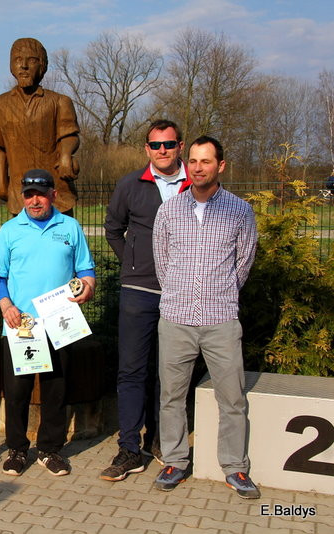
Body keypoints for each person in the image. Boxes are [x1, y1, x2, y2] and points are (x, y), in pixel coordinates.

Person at [152, 136, 259, 498]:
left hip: (221, 318)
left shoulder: (240, 211)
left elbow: (243, 264)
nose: (198, 167)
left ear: (221, 166)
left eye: (206, 161)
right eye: (193, 161)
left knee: (232, 397)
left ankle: (234, 467)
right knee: (171, 395)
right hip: (176, 318)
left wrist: (219, 293)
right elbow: (162, 262)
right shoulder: (169, 210)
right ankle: (175, 460)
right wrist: (180, 295)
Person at [0, 169, 96, 477]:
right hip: (21, 323)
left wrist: (87, 287)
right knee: (17, 390)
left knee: (55, 390)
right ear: (22, 197)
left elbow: (86, 268)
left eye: (41, 193)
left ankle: (50, 450)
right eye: (29, 194)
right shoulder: (9, 231)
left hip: (60, 323)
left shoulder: (70, 227)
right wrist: (6, 305)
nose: (35, 200)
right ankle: (17, 450)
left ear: (53, 195)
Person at [100, 119, 192, 481]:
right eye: (155, 145)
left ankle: (162, 440)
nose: (162, 151)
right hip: (139, 292)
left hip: (182, 293)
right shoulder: (130, 184)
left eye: (169, 144)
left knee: (171, 372)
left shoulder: (196, 184)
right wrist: (134, 264)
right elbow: (113, 229)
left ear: (180, 146)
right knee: (133, 370)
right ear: (146, 149)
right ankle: (129, 448)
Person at [0, 37, 80, 215]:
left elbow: (70, 135)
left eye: (32, 60)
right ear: (11, 66)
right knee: (21, 240)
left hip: (56, 192)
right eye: (18, 60)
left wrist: (66, 155)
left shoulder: (59, 102)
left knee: (61, 240)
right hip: (20, 192)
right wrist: (0, 184)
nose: (24, 66)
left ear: (42, 66)